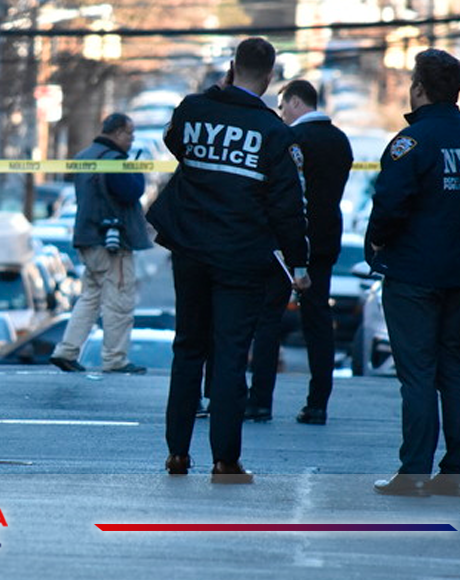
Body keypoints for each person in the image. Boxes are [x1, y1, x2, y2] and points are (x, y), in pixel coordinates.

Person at [146, 37, 309, 483]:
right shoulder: (274, 133)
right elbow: (287, 207)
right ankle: (225, 460)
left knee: (188, 348)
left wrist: (217, 93)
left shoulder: (194, 109)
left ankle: (177, 453)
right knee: (231, 355)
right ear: (270, 79)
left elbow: (175, 143)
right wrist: (299, 265)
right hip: (241, 253)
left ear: (231, 68)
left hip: (190, 248)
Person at [369, 49, 460, 498]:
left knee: (417, 373)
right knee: (456, 371)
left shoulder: (412, 143)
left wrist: (378, 243)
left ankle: (414, 472)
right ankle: (457, 474)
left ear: (418, 89)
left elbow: (389, 205)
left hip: (414, 273)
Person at [245, 79, 353, 424]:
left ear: (294, 102)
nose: (281, 114)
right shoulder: (340, 140)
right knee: (318, 322)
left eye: (282, 107)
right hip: (326, 240)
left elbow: (283, 196)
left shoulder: (290, 139)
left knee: (269, 319)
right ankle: (318, 403)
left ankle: (260, 401)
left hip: (287, 242)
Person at [48, 112, 151, 374]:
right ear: (117, 132)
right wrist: (136, 170)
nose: (132, 140)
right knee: (119, 300)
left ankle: (66, 351)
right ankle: (115, 359)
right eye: (130, 134)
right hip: (112, 243)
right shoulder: (114, 161)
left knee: (90, 298)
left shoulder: (85, 156)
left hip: (87, 239)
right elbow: (131, 191)